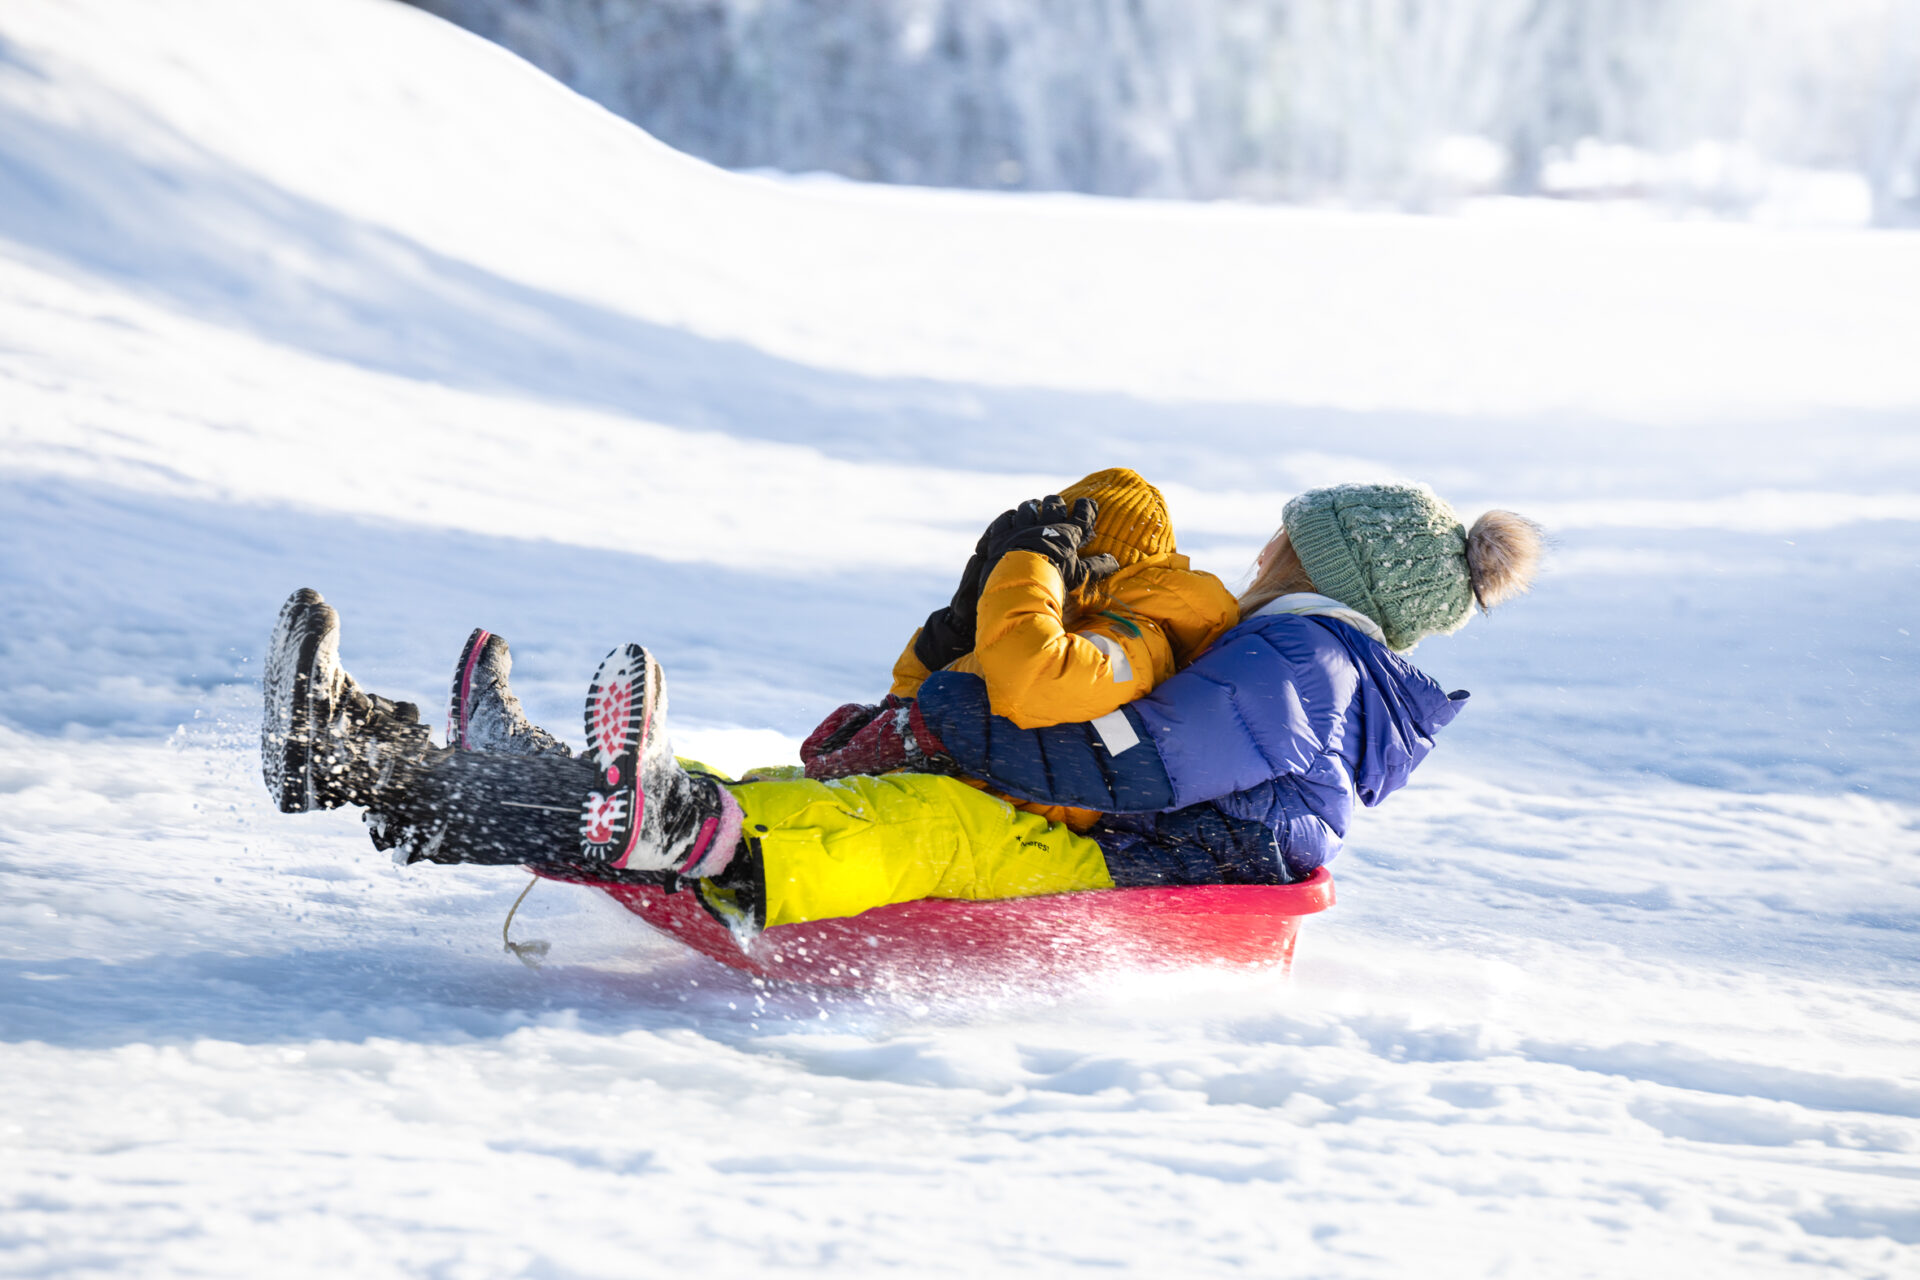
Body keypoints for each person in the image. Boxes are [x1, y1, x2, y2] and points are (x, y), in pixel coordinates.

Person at [261, 481, 1540, 934]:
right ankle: (377, 763)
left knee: (917, 822)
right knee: (834, 801)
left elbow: (1147, 765)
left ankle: (699, 835)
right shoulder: (1306, 658)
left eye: (1285, 540)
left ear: (1331, 572)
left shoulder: (1304, 661)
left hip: (1129, 863)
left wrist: (989, 739)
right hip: (1120, 840)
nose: (1261, 550)